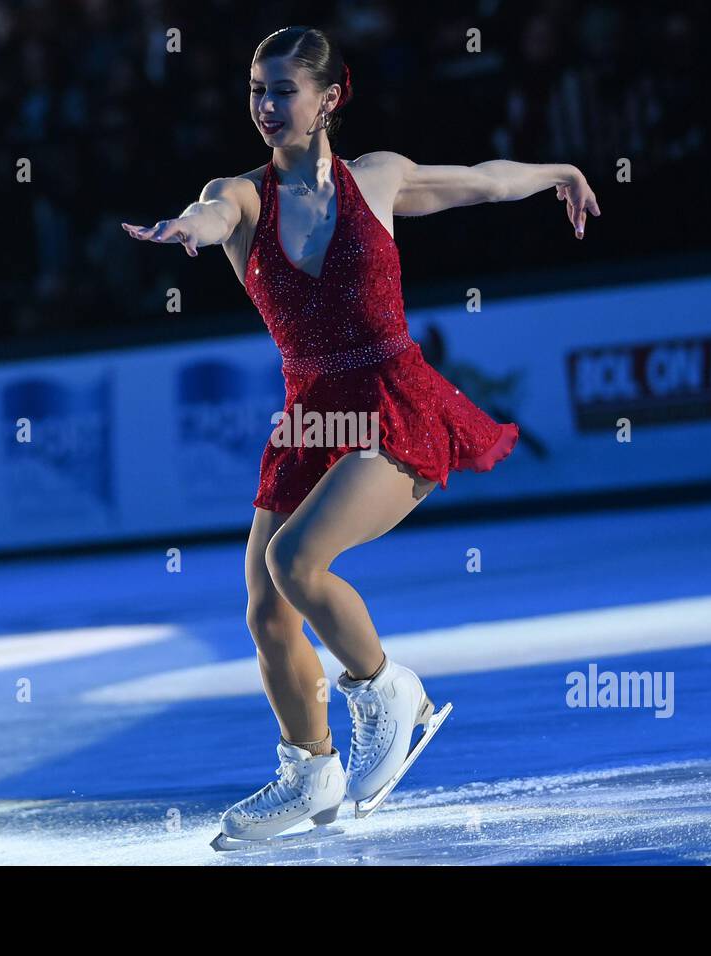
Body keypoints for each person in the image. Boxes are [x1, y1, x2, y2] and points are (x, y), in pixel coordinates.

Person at [122, 25, 600, 844]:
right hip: (311, 415)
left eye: (283, 91)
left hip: (393, 402)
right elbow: (210, 212)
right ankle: (309, 770)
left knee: (296, 562)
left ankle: (389, 693)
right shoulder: (240, 197)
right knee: (268, 613)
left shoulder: (377, 180)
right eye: (255, 91)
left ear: (329, 99)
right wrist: (186, 229)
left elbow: (483, 182)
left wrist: (560, 170)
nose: (266, 107)